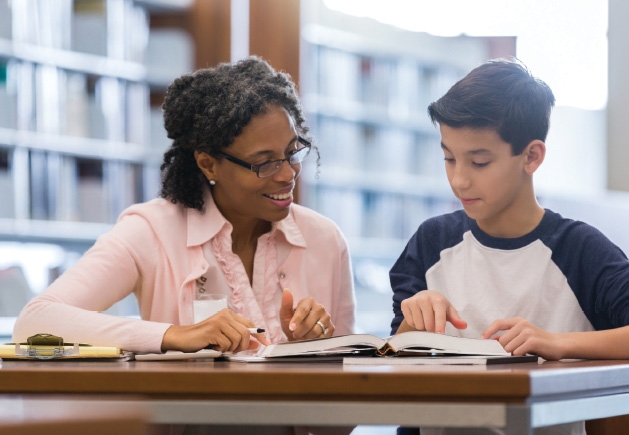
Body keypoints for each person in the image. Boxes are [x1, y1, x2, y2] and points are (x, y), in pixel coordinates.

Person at [13, 56, 356, 359]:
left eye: (293, 152)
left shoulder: (325, 239)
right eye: (263, 163)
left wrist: (312, 351)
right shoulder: (151, 231)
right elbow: (34, 322)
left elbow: (341, 423)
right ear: (208, 164)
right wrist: (171, 335)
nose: (287, 174)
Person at [390, 58, 629, 435]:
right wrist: (411, 321)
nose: (459, 180)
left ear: (531, 156)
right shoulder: (431, 242)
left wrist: (558, 343)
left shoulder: (580, 250)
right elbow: (393, 363)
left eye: (479, 162)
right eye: (449, 159)